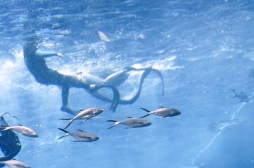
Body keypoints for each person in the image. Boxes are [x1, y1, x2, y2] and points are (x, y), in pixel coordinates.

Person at [22, 38, 162, 114]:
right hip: (80, 80)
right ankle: (127, 71)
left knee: (113, 90)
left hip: (77, 79)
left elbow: (64, 83)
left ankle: (128, 71)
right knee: (116, 93)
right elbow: (39, 54)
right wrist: (54, 53)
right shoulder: (32, 54)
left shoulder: (32, 61)